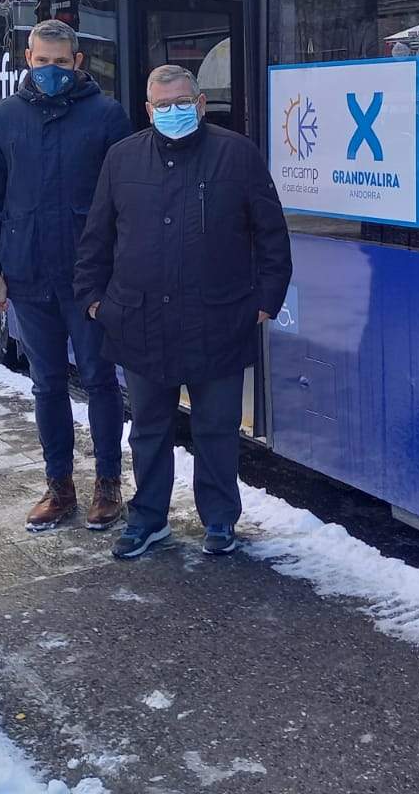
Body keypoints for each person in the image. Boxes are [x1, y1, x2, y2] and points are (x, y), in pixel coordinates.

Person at [74, 63, 292, 558]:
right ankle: (149, 519)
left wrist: (264, 302)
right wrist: (93, 300)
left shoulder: (236, 154)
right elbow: (96, 237)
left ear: (199, 104)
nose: (173, 112)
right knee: (148, 428)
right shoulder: (122, 158)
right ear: (148, 110)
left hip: (219, 319)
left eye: (182, 103)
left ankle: (219, 519)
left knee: (216, 427)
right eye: (162, 105)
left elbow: (272, 235)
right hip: (139, 320)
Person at [0, 19, 132, 531]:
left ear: (78, 62)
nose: (51, 71)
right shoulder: (3, 118)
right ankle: (59, 486)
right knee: (45, 385)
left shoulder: (107, 116)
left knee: (100, 380)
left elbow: (128, 199)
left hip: (89, 278)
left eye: (61, 63)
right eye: (42, 62)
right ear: (27, 57)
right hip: (27, 273)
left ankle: (108, 484)